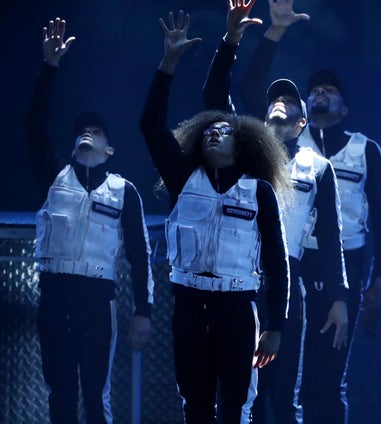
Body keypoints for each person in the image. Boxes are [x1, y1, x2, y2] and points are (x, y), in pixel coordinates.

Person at [139, 10, 291, 423]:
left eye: (224, 128)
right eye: (208, 129)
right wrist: (168, 63)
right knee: (196, 405)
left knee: (235, 408)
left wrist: (276, 324)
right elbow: (151, 125)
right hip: (189, 304)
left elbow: (277, 264)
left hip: (239, 308)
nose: (214, 130)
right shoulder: (183, 177)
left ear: (242, 141)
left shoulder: (258, 191)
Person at [201, 1, 349, 422]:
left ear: (303, 122)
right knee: (235, 394)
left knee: (283, 397)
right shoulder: (246, 149)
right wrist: (273, 34)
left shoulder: (319, 168)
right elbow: (243, 87)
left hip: (288, 287)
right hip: (239, 279)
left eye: (289, 100)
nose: (280, 103)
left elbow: (333, 235)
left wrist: (339, 296)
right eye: (274, 100)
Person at [26, 17, 154, 424]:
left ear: (109, 149)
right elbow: (33, 127)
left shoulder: (123, 191)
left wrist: (143, 311)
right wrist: (50, 67)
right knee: (60, 393)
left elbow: (139, 253)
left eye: (96, 131)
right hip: (54, 295)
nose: (88, 133)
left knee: (96, 397)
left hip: (97, 301)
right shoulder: (55, 178)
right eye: (82, 129)